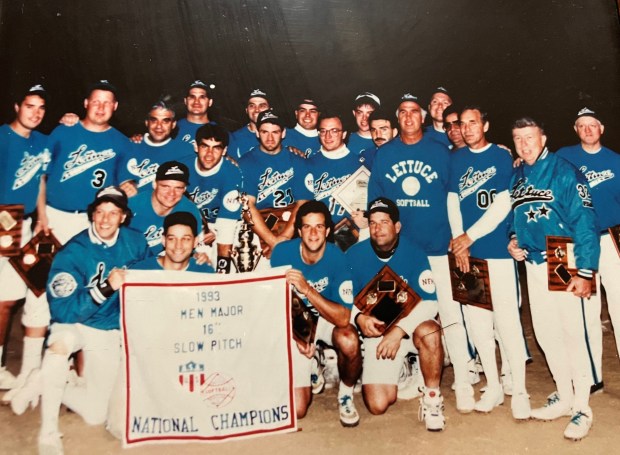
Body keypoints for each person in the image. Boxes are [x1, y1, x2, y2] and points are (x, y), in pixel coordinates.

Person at [10, 186, 150, 455]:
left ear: (123, 217)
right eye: (100, 212)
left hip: (108, 328)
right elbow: (63, 312)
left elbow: (152, 276)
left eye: (113, 213)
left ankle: (42, 380)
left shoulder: (137, 242)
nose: (106, 219)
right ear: (92, 214)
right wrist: (106, 288)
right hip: (76, 322)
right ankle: (48, 432)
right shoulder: (72, 252)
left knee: (96, 414)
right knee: (60, 346)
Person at [367, 92, 475, 413]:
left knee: (450, 314)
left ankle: (465, 378)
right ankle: (409, 369)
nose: (409, 117)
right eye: (403, 112)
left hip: (439, 248)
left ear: (424, 116)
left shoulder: (441, 152)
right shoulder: (385, 154)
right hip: (403, 253)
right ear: (397, 118)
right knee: (400, 312)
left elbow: (456, 198)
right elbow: (376, 203)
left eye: (414, 112)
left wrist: (458, 240)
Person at [508, 117, 599, 440]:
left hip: (564, 258)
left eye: (530, 137)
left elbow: (585, 221)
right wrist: (513, 239)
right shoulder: (517, 174)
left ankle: (582, 408)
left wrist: (585, 272)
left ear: (543, 137)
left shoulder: (564, 170)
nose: (524, 144)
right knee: (546, 335)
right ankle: (564, 396)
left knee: (573, 334)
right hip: (533, 262)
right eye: (518, 138)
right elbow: (514, 214)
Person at [447, 106, 530, 418]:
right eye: (462, 124)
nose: (467, 129)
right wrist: (459, 243)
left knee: (506, 321)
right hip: (467, 255)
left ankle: (519, 389)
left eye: (473, 123)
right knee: (477, 323)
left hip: (496, 250)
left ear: (485, 124)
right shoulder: (455, 159)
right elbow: (452, 200)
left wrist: (469, 236)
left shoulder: (500, 155)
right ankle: (493, 386)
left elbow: (503, 203)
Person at [347, 198, 445, 431]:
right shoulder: (353, 254)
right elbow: (341, 297)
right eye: (372, 223)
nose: (377, 228)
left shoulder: (415, 253)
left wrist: (400, 330)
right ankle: (403, 369)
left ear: (397, 227)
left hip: (408, 331)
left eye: (384, 222)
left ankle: (432, 398)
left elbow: (431, 302)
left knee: (431, 330)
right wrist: (358, 317)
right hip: (378, 333)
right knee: (378, 404)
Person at [270, 200, 362, 426]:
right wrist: (298, 336)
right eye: (307, 227)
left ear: (328, 230)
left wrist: (307, 289)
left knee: (349, 339)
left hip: (325, 318)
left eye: (319, 227)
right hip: (295, 322)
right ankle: (313, 363)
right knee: (299, 410)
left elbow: (342, 318)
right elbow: (273, 305)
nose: (313, 233)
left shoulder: (340, 258)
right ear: (299, 231)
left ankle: (346, 394)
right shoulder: (282, 252)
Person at [556, 107, 619, 392]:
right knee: (586, 309)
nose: (588, 130)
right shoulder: (564, 157)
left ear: (601, 129)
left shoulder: (616, 161)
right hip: (580, 242)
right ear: (575, 129)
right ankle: (593, 375)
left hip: (612, 239)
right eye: (582, 126)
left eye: (592, 125)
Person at [0, 84, 51, 397]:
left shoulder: (43, 142)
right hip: (4, 219)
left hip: (29, 224)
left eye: (41, 107)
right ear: (17, 106)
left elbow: (41, 181)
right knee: (4, 300)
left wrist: (43, 218)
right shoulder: (3, 136)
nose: (35, 112)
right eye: (30, 105)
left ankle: (31, 372)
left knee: (30, 292)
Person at [41, 80, 129, 244]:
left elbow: (126, 183)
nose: (101, 108)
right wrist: (41, 216)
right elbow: (41, 177)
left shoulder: (123, 142)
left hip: (92, 221)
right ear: (86, 103)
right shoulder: (63, 131)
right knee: (43, 267)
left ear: (115, 106)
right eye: (96, 102)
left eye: (107, 103)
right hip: (53, 214)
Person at [237, 110, 312, 260]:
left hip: (291, 224)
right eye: (265, 132)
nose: (270, 138)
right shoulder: (245, 163)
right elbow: (247, 207)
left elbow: (303, 203)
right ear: (257, 133)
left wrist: (283, 239)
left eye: (275, 132)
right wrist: (273, 242)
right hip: (261, 226)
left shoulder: (298, 160)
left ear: (283, 133)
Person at [179, 124, 242, 273]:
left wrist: (222, 274)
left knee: (226, 268)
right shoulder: (182, 168)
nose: (209, 154)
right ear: (196, 147)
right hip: (194, 227)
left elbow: (226, 228)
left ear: (225, 151)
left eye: (216, 148)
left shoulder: (232, 173)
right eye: (205, 146)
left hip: (225, 225)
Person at [304, 113, 364, 251]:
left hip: (352, 239)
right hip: (317, 239)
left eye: (334, 131)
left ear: (343, 134)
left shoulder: (359, 164)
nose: (328, 136)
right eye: (323, 131)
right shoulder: (308, 164)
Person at [117, 100, 194, 196]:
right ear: (146, 122)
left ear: (173, 124)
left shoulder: (185, 150)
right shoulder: (130, 145)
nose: (159, 126)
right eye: (154, 120)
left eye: (165, 121)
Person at [128, 160, 203, 254]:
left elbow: (191, 250)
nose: (171, 193)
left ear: (184, 189)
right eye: (165, 186)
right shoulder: (132, 205)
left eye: (178, 188)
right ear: (154, 184)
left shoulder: (189, 210)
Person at [228, 89, 271, 159]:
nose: (257, 110)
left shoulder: (283, 135)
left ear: (269, 109)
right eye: (252, 106)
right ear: (246, 110)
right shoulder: (235, 138)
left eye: (262, 106)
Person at [176, 80, 216, 144]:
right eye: (192, 97)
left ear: (210, 102)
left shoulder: (219, 132)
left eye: (202, 97)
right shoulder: (172, 128)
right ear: (185, 101)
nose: (196, 102)